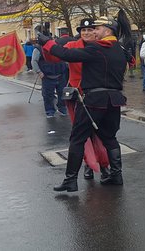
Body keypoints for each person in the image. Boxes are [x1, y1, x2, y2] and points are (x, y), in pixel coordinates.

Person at [38, 13, 131, 192]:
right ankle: (116, 175)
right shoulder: (120, 50)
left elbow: (66, 54)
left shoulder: (97, 48)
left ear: (107, 30)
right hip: (114, 101)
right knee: (110, 138)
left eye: (97, 28)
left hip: (94, 101)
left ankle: (70, 180)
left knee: (77, 139)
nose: (94, 32)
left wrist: (47, 42)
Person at [60, 18, 111, 181]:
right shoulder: (72, 46)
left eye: (90, 30)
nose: (87, 33)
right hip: (79, 95)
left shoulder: (104, 46)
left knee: (101, 133)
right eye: (83, 30)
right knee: (83, 135)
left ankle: (104, 166)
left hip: (98, 95)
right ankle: (89, 165)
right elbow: (57, 55)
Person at [32, 36, 68, 118]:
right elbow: (34, 61)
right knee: (48, 95)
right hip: (47, 76)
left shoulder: (57, 46)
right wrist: (39, 72)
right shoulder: (38, 49)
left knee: (62, 93)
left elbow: (64, 56)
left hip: (60, 74)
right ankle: (50, 111)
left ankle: (62, 108)